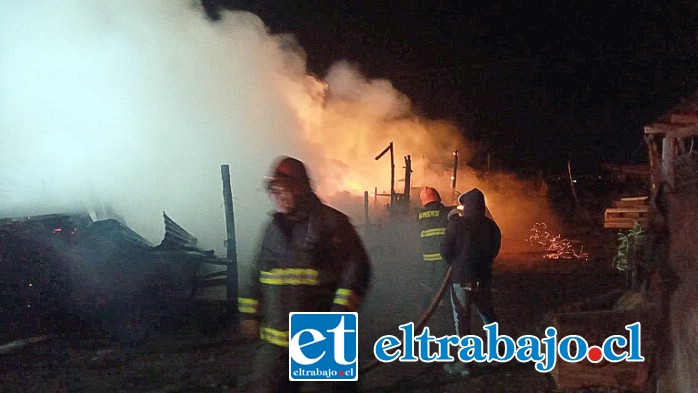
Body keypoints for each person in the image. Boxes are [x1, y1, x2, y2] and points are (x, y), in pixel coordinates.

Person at [238, 156, 371, 393]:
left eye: (284, 188)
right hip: (276, 338)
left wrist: (339, 316)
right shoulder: (272, 229)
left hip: (321, 333)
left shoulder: (332, 223)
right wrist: (249, 313)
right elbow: (255, 273)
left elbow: (357, 271)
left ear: (301, 187)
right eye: (274, 190)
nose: (278, 195)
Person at [441, 188, 501, 377]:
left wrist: (457, 263)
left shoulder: (456, 224)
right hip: (482, 278)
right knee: (488, 318)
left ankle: (465, 363)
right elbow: (494, 249)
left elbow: (445, 250)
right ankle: (494, 356)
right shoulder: (491, 226)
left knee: (462, 320)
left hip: (461, 279)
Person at [416, 187, 451, 308]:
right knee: (442, 281)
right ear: (438, 198)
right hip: (444, 256)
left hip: (426, 256)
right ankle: (442, 303)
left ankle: (425, 304)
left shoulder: (419, 215)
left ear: (422, 201)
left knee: (427, 281)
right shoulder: (448, 212)